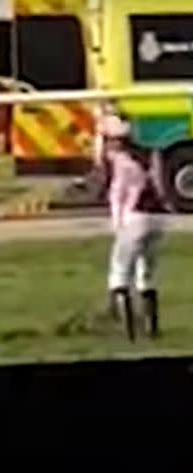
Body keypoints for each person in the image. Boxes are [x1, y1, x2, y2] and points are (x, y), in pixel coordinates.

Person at [102, 114, 173, 341]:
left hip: (135, 216)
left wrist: (117, 224)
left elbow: (118, 193)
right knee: (146, 273)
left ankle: (129, 331)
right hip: (158, 218)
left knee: (120, 271)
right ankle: (152, 328)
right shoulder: (148, 155)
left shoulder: (121, 161)